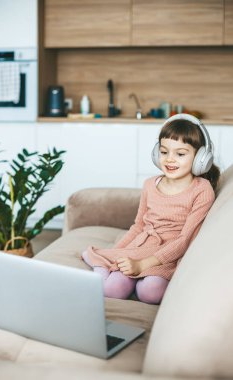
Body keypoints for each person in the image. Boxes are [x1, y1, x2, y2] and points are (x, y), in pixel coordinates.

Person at [82, 114, 220, 304]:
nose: (170, 160)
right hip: (140, 247)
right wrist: (117, 255)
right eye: (164, 152)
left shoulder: (202, 190)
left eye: (180, 154)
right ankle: (101, 264)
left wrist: (142, 265)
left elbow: (184, 240)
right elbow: (138, 226)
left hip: (167, 255)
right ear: (157, 153)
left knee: (151, 293)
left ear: (200, 158)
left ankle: (135, 278)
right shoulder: (149, 184)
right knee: (113, 289)